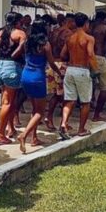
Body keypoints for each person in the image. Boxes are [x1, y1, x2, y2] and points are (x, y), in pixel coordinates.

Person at [17, 19, 62, 153]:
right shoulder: (45, 44)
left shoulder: (27, 42)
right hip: (38, 77)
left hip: (26, 75)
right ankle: (24, 135)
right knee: (39, 112)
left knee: (34, 108)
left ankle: (34, 137)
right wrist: (59, 72)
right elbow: (51, 62)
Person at [0, 12, 27, 146]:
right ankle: (1, 134)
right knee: (8, 102)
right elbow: (23, 48)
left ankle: (11, 128)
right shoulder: (20, 34)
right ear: (18, 22)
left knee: (9, 100)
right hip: (12, 67)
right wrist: (13, 55)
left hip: (0, 65)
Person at [59, 12, 97, 139]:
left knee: (70, 100)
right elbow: (90, 54)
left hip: (70, 69)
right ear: (86, 23)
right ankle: (81, 129)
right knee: (85, 102)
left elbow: (63, 54)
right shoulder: (89, 38)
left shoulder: (70, 38)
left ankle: (64, 123)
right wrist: (95, 69)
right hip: (82, 70)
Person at [45, 14, 75, 130]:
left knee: (57, 94)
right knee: (64, 95)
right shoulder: (69, 34)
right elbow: (67, 52)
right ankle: (61, 121)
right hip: (62, 64)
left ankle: (53, 118)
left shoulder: (53, 32)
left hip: (52, 63)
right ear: (69, 22)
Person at [89, 10, 106, 121]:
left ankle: (89, 104)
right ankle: (97, 114)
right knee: (105, 86)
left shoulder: (89, 28)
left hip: (89, 58)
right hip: (100, 57)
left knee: (89, 84)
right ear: (105, 19)